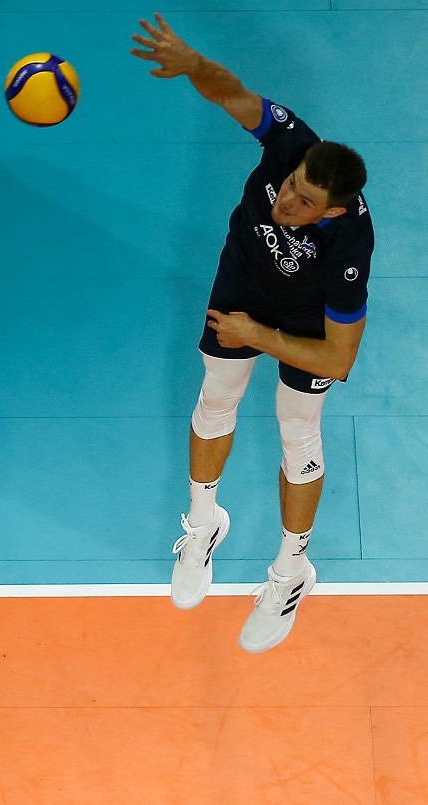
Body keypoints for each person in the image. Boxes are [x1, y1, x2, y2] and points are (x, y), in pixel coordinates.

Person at [130, 15, 373, 652]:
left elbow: (339, 357)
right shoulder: (294, 145)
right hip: (243, 278)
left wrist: (257, 334)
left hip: (302, 323)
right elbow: (231, 91)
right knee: (216, 396)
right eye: (290, 187)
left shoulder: (350, 247)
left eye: (302, 204)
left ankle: (292, 570)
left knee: (299, 429)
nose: (285, 204)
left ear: (334, 211)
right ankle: (206, 520)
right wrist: (193, 63)